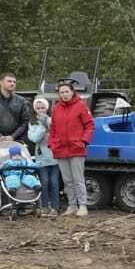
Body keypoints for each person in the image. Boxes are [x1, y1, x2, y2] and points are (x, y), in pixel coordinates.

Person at [47, 79, 95, 217]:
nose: (64, 94)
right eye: (61, 92)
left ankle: (83, 206)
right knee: (67, 180)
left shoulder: (81, 106)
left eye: (66, 91)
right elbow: (53, 128)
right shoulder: (56, 108)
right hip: (60, 149)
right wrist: (52, 144)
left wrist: (83, 141)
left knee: (78, 179)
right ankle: (72, 205)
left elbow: (90, 125)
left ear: (72, 92)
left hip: (76, 149)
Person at [28, 97, 62, 217]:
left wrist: (47, 123)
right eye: (38, 108)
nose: (40, 110)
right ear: (35, 109)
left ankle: (55, 206)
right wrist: (43, 127)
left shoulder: (52, 120)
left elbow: (57, 133)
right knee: (44, 182)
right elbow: (34, 138)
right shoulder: (32, 123)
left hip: (54, 157)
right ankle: (44, 206)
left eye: (43, 107)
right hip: (41, 158)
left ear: (47, 108)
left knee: (54, 182)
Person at [0, 72, 30, 144]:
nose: (12, 84)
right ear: (1, 82)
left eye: (14, 82)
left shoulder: (21, 101)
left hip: (18, 141)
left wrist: (13, 136)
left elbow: (25, 122)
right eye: (9, 81)